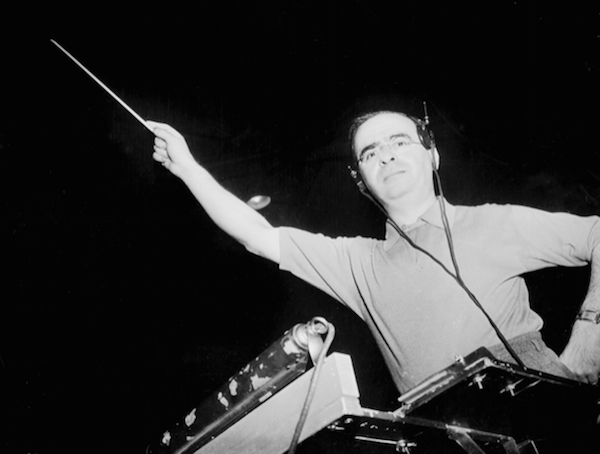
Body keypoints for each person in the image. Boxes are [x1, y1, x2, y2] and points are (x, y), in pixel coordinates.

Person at [146, 111, 600, 395]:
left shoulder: (494, 223)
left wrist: (588, 341)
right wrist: (187, 167)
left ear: (432, 156)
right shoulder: (359, 263)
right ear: (361, 182)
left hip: (542, 413)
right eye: (370, 152)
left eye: (400, 142)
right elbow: (256, 234)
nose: (386, 155)